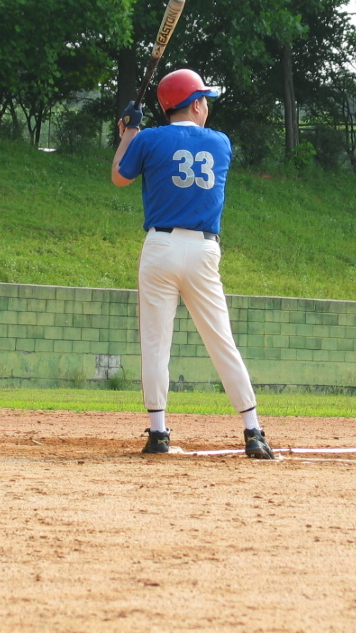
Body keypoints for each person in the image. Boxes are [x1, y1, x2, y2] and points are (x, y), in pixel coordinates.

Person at [110, 68, 275, 459]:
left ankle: (158, 433)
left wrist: (128, 134)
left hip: (160, 246)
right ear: (196, 104)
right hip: (203, 250)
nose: (206, 105)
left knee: (155, 344)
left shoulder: (149, 138)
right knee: (221, 341)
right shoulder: (221, 142)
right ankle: (253, 430)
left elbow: (119, 176)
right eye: (204, 99)